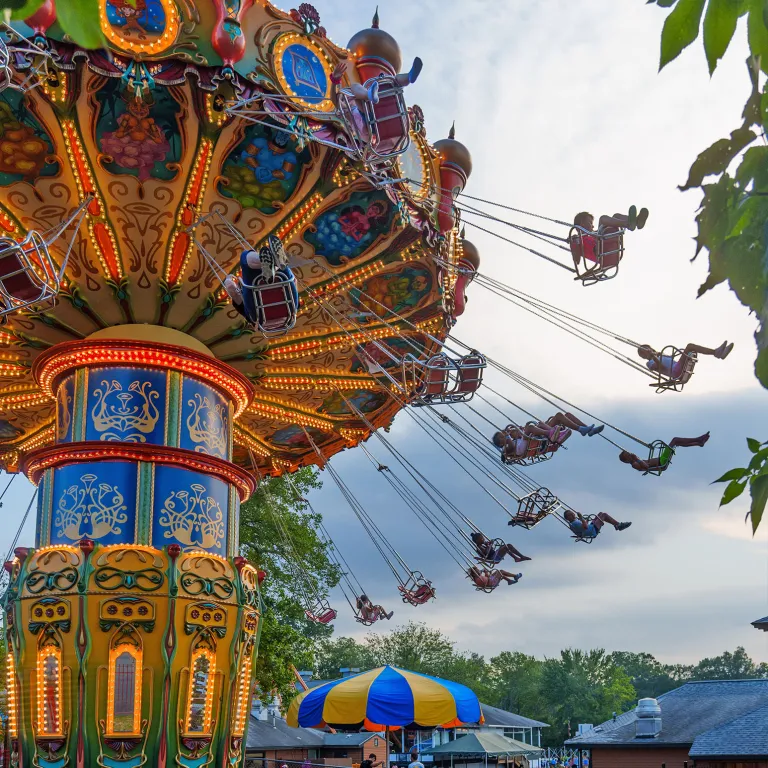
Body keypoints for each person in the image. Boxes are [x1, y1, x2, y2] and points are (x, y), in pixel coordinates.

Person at [224, 239, 299, 327]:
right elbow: (230, 287)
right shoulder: (243, 309)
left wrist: (228, 280)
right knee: (245, 258)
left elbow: (230, 287)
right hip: (285, 311)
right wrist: (228, 279)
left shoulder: (245, 310)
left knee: (285, 277)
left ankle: (273, 263)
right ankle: (271, 261)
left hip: (264, 315)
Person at [571, 206, 649, 270]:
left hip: (607, 246)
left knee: (616, 216)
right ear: (581, 224)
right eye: (590, 223)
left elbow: (598, 233)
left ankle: (636, 221)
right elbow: (577, 260)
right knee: (602, 219)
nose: (592, 226)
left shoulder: (593, 234)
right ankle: (628, 224)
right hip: (600, 253)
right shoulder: (578, 239)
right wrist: (574, 243)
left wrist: (594, 233)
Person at [637, 341, 733, 380]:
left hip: (678, 367)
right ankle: (716, 353)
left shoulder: (660, 356)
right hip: (676, 372)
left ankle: (718, 352)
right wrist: (653, 357)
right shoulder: (650, 363)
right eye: (645, 352)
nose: (650, 351)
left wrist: (658, 354)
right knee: (690, 346)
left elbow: (671, 359)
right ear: (643, 356)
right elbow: (661, 367)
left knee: (691, 348)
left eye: (649, 348)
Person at [619, 432, 710, 473]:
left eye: (628, 453)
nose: (630, 455)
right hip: (661, 462)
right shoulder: (634, 464)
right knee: (675, 440)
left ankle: (698, 443)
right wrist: (637, 459)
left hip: (662, 461)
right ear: (627, 460)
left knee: (677, 443)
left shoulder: (635, 461)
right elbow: (646, 467)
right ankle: (698, 439)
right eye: (628, 455)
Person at [563, 510, 631, 539]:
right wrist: (581, 518)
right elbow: (585, 527)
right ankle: (618, 525)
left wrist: (585, 520)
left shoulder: (574, 521)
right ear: (567, 518)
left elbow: (584, 526)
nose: (573, 514)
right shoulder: (574, 524)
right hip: (592, 530)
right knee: (604, 515)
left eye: (572, 513)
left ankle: (616, 525)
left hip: (591, 527)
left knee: (600, 513)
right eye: (570, 515)